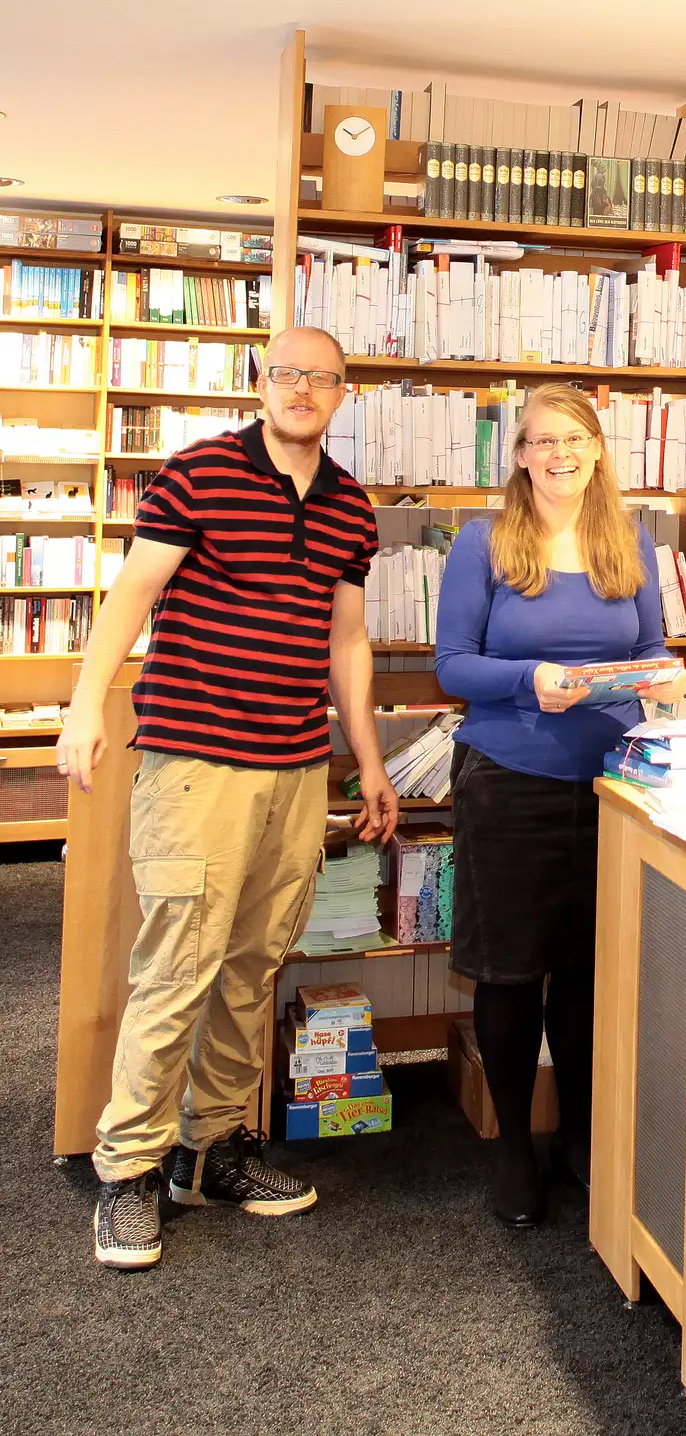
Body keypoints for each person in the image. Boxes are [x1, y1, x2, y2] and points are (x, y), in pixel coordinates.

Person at [58, 326, 399, 1272]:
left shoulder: (349, 506)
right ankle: (126, 1169)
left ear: (343, 393)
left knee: (253, 965)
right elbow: (131, 593)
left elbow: (347, 641)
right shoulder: (198, 471)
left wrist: (367, 759)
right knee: (177, 965)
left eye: (321, 378)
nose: (302, 389)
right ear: (261, 382)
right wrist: (88, 703)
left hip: (296, 766)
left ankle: (210, 1149)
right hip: (197, 758)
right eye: (287, 374)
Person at [434, 383, 686, 1228]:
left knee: (588, 972)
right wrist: (526, 680)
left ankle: (578, 1135)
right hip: (510, 778)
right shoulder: (485, 542)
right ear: (519, 455)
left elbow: (648, 643)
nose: (559, 453)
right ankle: (513, 1145)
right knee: (512, 973)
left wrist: (665, 671)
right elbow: (452, 666)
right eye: (542, 441)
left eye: (574, 438)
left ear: (597, 449)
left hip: (615, 785)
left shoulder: (630, 540)